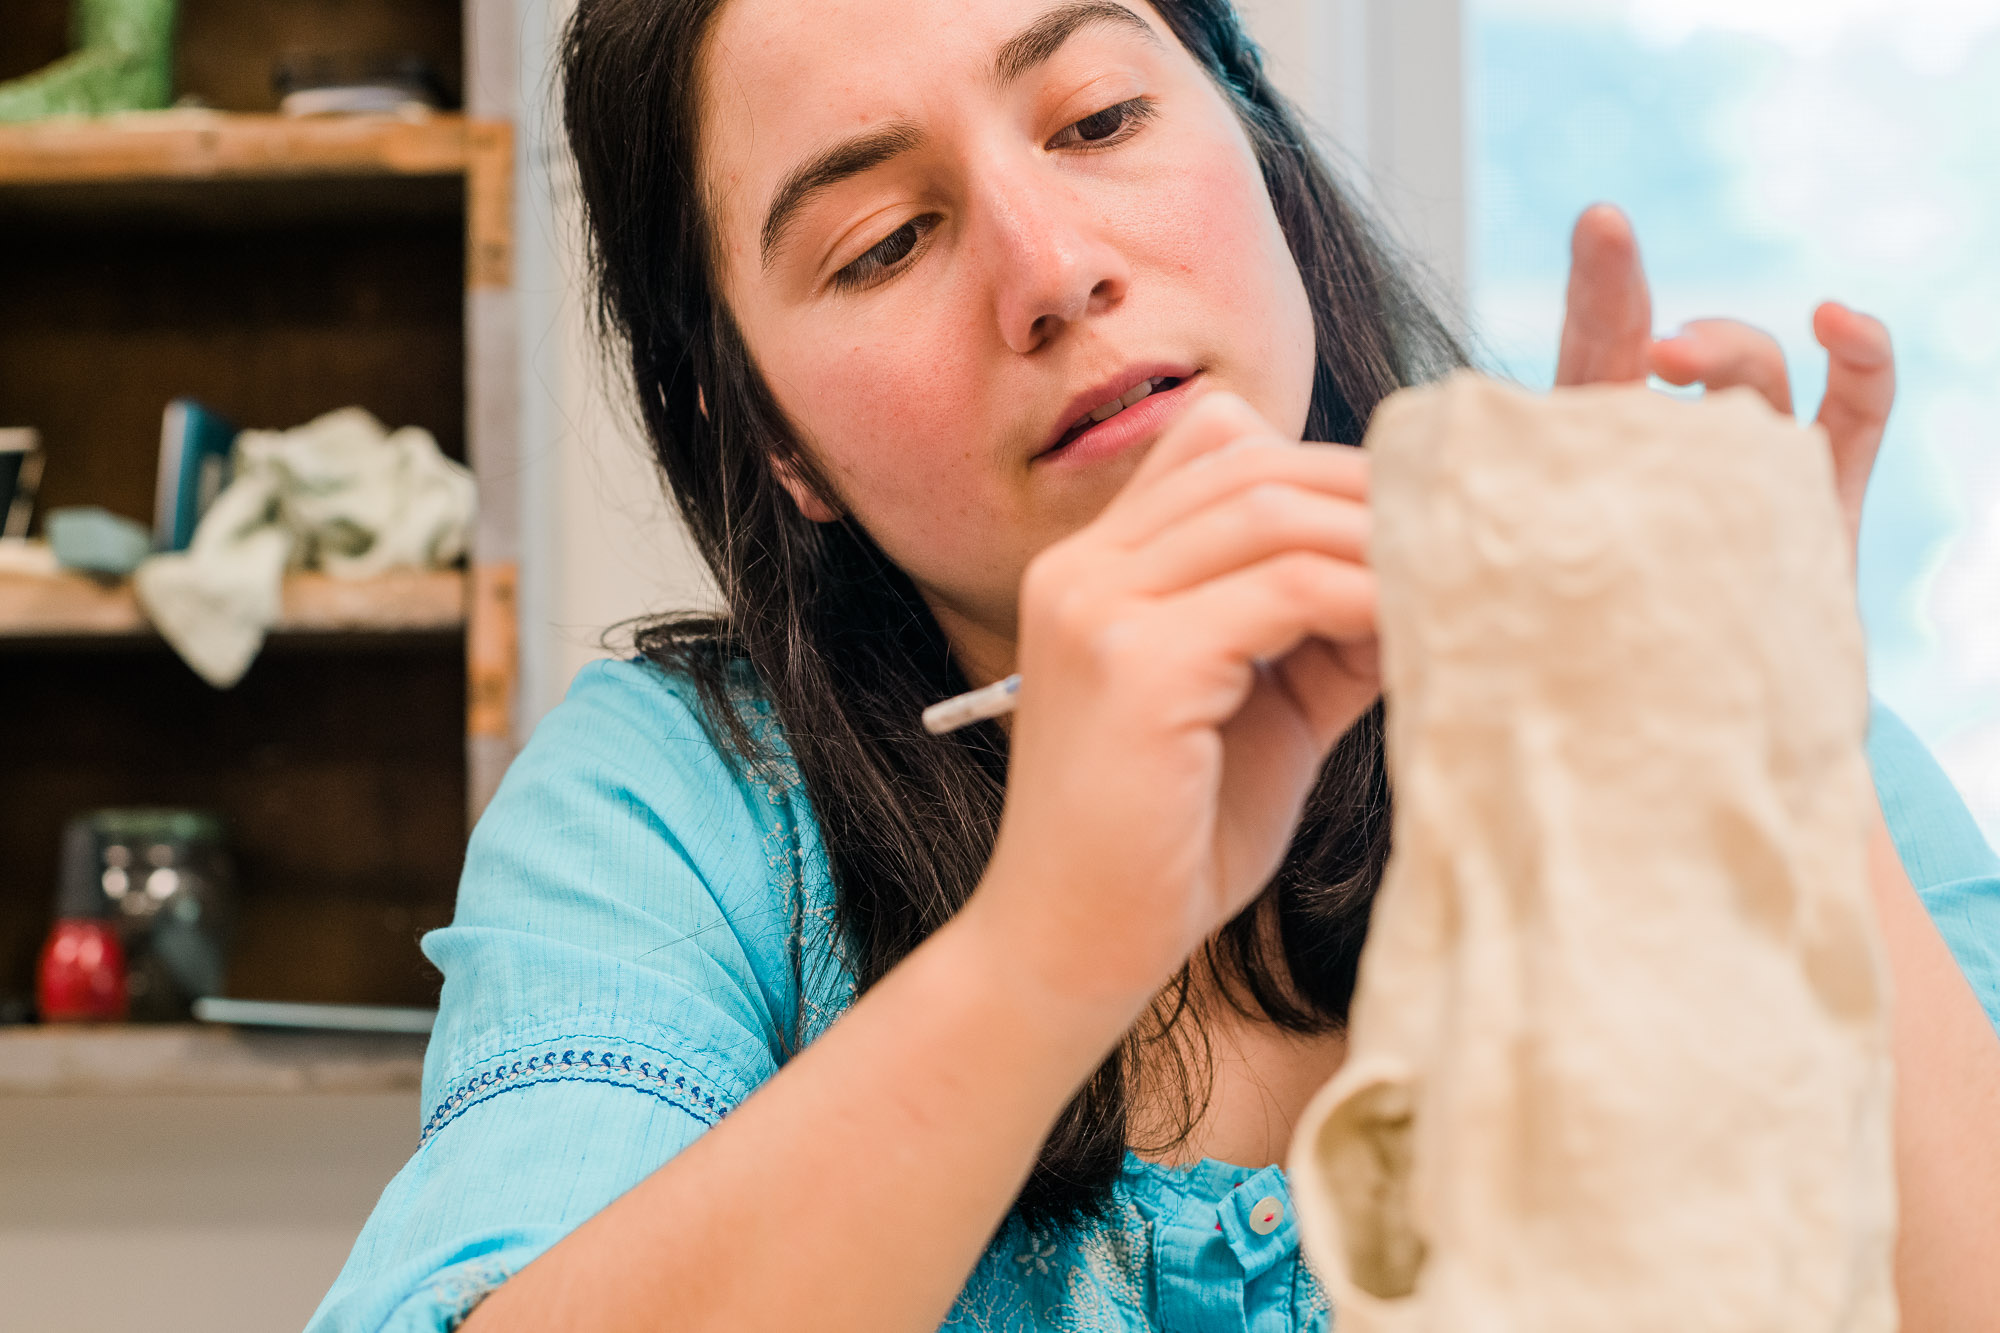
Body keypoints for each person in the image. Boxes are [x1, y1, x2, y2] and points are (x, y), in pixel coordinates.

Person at [309, 2, 2000, 1329]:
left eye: (1101, 119)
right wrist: (1049, 944)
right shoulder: (674, 811)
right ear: (770, 439)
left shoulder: (1704, 653)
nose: (1054, 270)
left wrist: (1786, 768)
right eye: (885, 239)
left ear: (1256, 137)